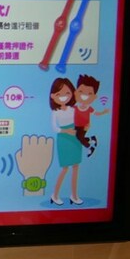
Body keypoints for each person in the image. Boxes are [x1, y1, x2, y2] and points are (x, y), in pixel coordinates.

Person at [48, 77, 83, 205]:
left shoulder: (73, 109)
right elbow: (54, 127)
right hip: (64, 139)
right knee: (65, 168)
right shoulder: (55, 112)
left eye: (67, 93)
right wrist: (66, 131)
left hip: (75, 138)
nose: (64, 97)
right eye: (59, 94)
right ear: (53, 96)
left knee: (76, 167)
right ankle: (55, 195)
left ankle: (74, 195)